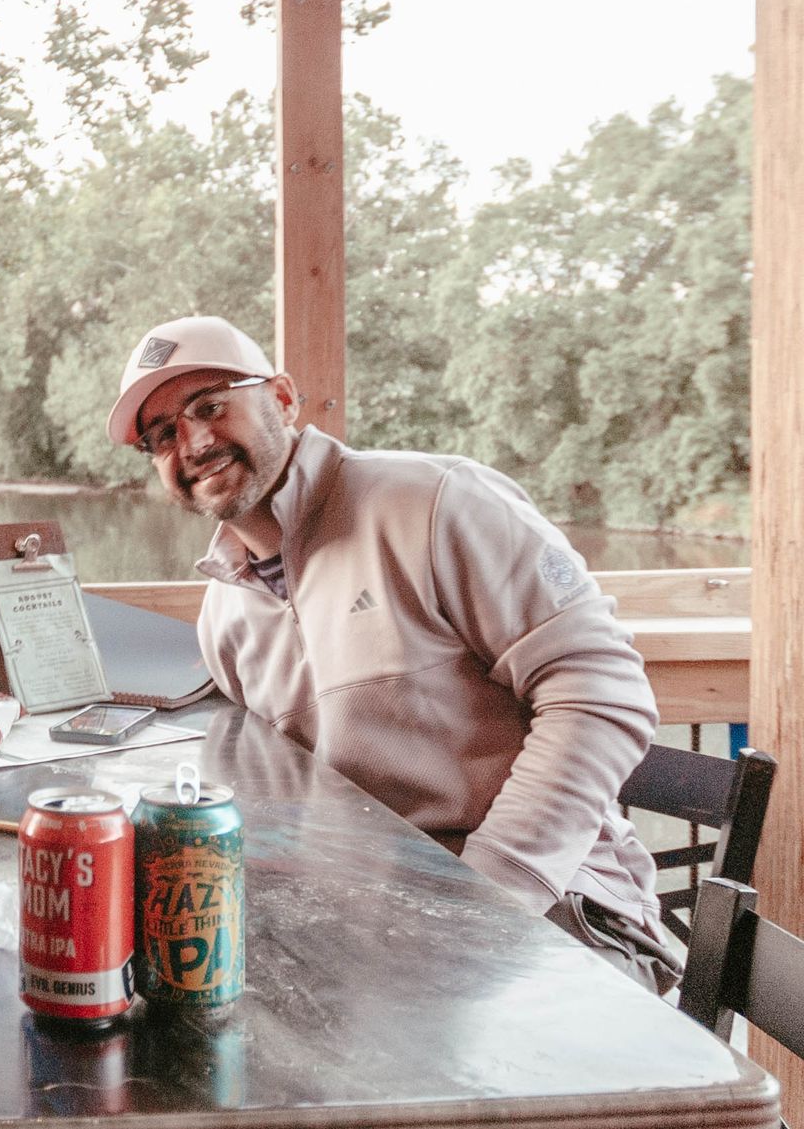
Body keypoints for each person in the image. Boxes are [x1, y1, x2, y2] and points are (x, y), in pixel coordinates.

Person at [104, 315, 679, 994]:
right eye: (162, 434)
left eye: (210, 405)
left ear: (283, 398)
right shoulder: (224, 613)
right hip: (378, 940)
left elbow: (600, 692)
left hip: (557, 917)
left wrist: (491, 893)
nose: (193, 442)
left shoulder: (436, 504)